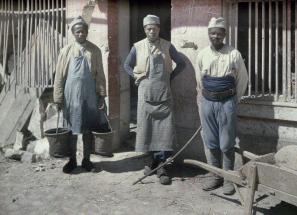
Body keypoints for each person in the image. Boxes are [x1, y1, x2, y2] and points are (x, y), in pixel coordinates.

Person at [124, 14, 185, 185]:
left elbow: (181, 63)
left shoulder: (167, 46)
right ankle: (154, 162)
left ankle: (162, 166)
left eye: (155, 28)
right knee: (148, 130)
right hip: (146, 94)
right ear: (145, 30)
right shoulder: (138, 47)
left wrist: (170, 77)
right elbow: (127, 65)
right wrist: (137, 77)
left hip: (164, 95)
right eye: (148, 28)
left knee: (164, 132)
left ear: (159, 29)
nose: (152, 31)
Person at [196, 17, 248, 195]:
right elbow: (199, 80)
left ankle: (228, 179)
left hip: (227, 102)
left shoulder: (234, 54)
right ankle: (215, 176)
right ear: (208, 34)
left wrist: (234, 100)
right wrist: (206, 97)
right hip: (208, 102)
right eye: (212, 33)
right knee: (211, 140)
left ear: (224, 34)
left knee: (226, 142)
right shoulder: (202, 54)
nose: (215, 36)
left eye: (219, 33)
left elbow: (242, 80)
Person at [53, 16, 108, 174]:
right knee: (71, 129)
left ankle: (86, 160)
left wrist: (101, 96)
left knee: (88, 129)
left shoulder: (95, 50)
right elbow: (59, 77)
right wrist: (58, 99)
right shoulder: (66, 51)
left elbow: (100, 76)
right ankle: (72, 160)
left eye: (83, 31)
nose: (81, 34)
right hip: (71, 97)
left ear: (87, 32)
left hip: (89, 97)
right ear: (73, 33)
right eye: (78, 31)